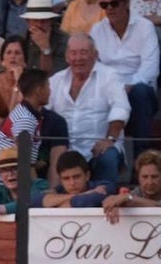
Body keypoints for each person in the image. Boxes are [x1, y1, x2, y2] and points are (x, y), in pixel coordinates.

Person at [48, 33, 130, 186]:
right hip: (66, 154)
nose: (78, 58)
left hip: (98, 151)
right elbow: (41, 110)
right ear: (67, 56)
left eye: (83, 52)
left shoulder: (109, 76)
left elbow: (121, 107)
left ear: (95, 55)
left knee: (109, 155)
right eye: (73, 53)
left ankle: (105, 201)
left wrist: (109, 139)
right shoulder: (55, 81)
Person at [89, 0, 159, 150]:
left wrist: (125, 87)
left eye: (113, 4)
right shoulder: (97, 30)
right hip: (109, 90)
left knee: (141, 92)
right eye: (104, 5)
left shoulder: (145, 27)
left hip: (136, 91)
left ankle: (141, 160)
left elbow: (150, 69)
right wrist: (113, 89)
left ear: (126, 3)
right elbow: (93, 66)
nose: (109, 9)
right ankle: (97, 155)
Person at [0, 146, 50, 217]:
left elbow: (31, 202)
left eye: (15, 169)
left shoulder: (40, 185)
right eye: (4, 170)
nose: (10, 174)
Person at [33, 149, 114, 208]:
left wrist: (57, 202)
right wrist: (84, 194)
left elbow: (86, 201)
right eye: (66, 178)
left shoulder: (103, 186)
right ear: (60, 180)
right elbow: (34, 200)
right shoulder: (58, 190)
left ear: (87, 176)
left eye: (76, 176)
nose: (72, 183)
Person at [104, 150, 161, 223]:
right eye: (145, 177)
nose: (149, 182)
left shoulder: (130, 197)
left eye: (154, 177)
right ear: (138, 177)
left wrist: (129, 198)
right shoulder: (137, 192)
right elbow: (108, 201)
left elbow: (158, 206)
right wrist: (114, 205)